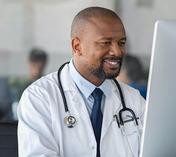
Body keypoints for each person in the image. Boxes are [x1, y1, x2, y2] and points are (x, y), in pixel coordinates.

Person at [18, 7, 145, 157]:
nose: (117, 52)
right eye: (106, 43)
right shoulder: (39, 97)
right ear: (77, 46)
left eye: (121, 43)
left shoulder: (133, 100)